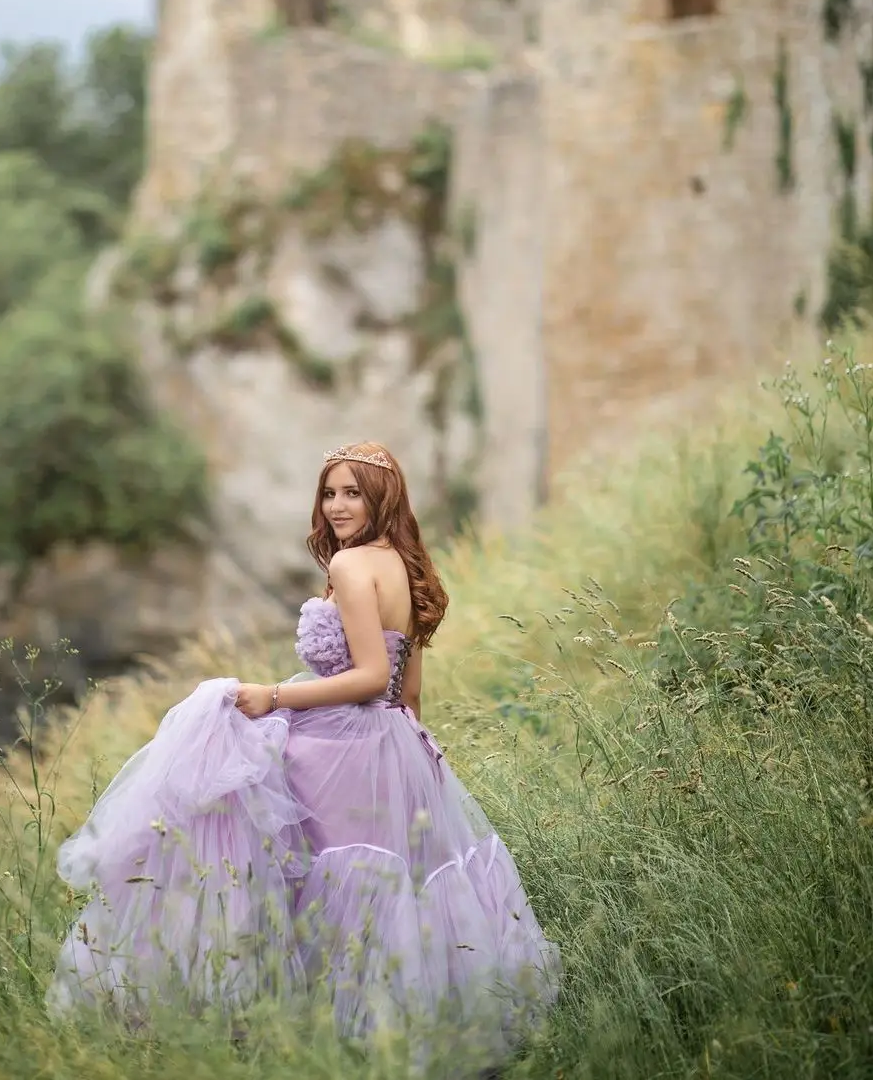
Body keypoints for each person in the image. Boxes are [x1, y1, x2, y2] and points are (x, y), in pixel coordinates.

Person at [46, 442, 560, 1069]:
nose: (338, 506)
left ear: (383, 497)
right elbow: (409, 691)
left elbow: (373, 676)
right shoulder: (404, 563)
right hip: (393, 746)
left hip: (347, 748)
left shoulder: (350, 568)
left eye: (353, 492)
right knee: (387, 888)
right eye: (330, 492)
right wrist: (417, 760)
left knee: (284, 854)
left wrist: (275, 696)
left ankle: (298, 1032)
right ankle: (391, 1039)